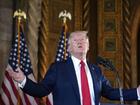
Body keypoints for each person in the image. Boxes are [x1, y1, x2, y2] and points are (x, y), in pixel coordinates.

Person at [8, 31, 140, 105]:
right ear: (69, 48)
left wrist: (137, 93)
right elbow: (41, 90)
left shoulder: (96, 70)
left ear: (88, 46)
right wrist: (23, 80)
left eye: (83, 40)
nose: (81, 42)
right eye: (76, 40)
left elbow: (110, 92)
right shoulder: (58, 68)